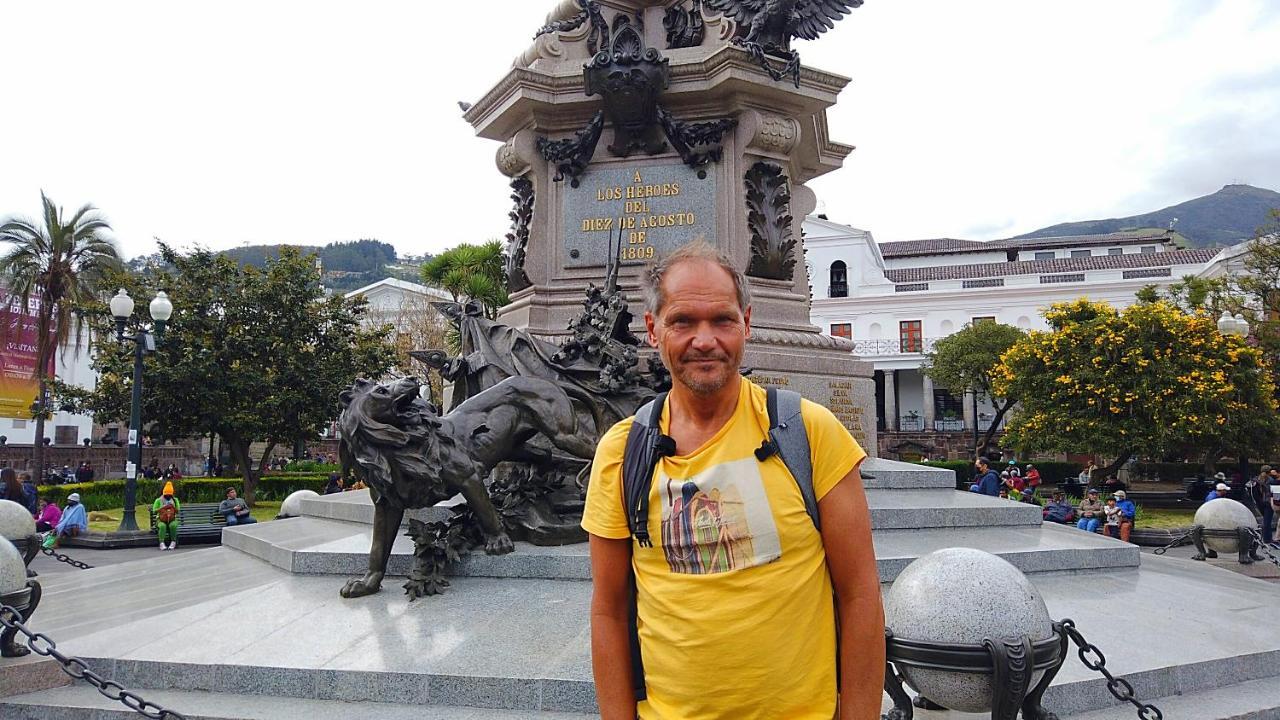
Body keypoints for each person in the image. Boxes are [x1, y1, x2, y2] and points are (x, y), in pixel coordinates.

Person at [582, 242, 884, 720]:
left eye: (721, 319)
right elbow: (609, 611)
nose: (705, 339)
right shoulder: (621, 453)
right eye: (683, 321)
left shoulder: (809, 432)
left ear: (746, 323)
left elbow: (861, 595)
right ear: (652, 329)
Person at [152, 481, 181, 550]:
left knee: (173, 525)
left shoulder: (175, 500)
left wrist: (172, 507)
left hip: (172, 519)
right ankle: (161, 543)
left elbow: (178, 511)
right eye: (166, 495)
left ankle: (173, 542)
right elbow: (154, 511)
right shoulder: (158, 500)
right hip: (161, 519)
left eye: (169, 495)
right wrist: (162, 508)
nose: (168, 496)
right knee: (162, 526)